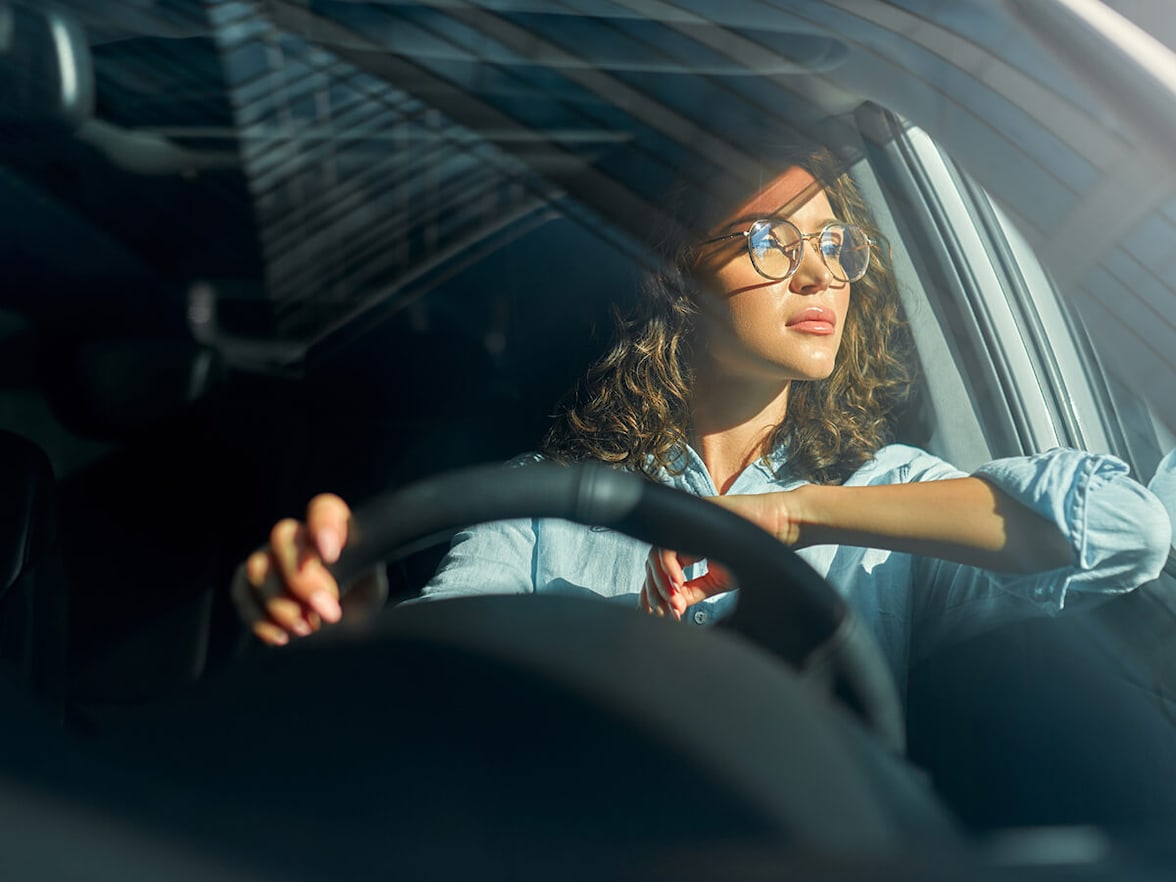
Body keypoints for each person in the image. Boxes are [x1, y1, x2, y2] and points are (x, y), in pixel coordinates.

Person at [231, 145, 1171, 690]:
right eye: (769, 239)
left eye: (834, 243)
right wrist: (353, 638)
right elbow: (444, 680)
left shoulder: (881, 499)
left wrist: (795, 514)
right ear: (676, 278)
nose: (818, 273)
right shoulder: (542, 499)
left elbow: (1128, 533)